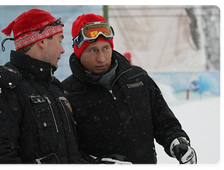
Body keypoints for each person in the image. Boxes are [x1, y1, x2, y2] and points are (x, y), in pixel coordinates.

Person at [61, 13, 197, 165]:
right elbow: (67, 150)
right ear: (79, 53)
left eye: (105, 48)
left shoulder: (138, 78)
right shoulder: (67, 93)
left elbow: (164, 122)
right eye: (93, 50)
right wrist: (96, 164)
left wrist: (176, 141)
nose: (101, 58)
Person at [0, 9, 87, 164]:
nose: (63, 49)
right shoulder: (5, 88)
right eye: (59, 41)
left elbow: (70, 155)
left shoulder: (55, 88)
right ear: (42, 41)